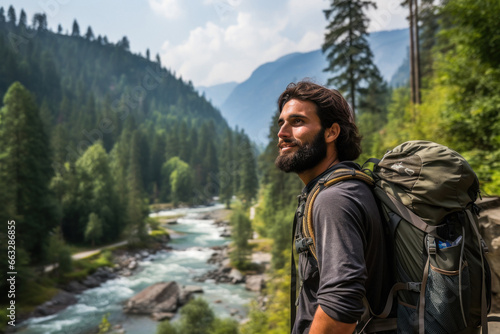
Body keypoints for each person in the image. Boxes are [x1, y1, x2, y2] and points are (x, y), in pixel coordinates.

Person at [275, 81, 392, 334]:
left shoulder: (334, 199)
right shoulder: (351, 185)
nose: (282, 133)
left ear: (331, 133)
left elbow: (342, 303)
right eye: (281, 123)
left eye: (297, 122)